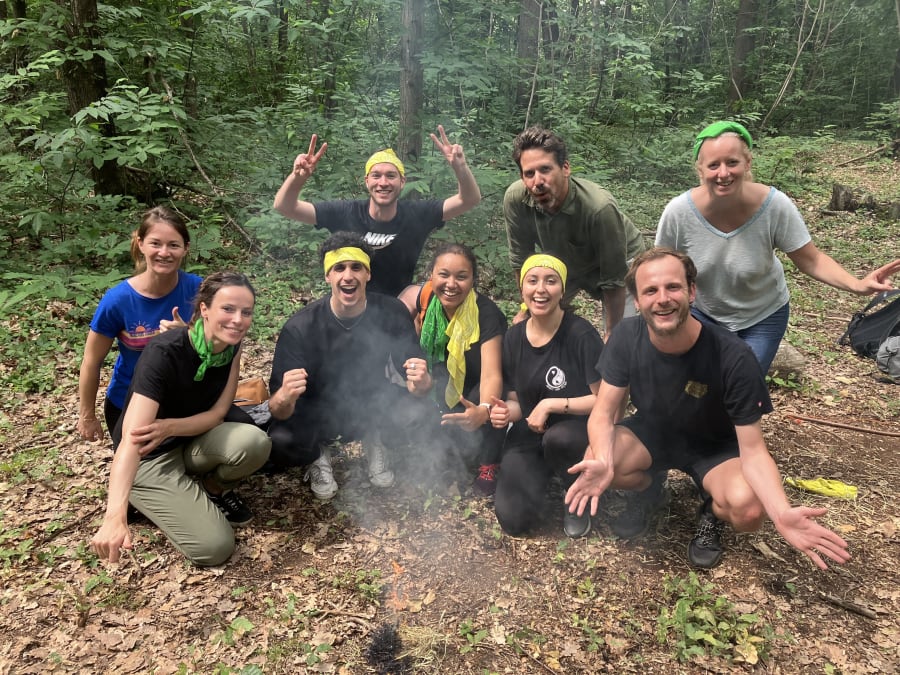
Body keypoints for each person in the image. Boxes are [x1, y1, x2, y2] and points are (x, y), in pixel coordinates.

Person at [565, 248, 852, 570]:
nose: (662, 299)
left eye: (673, 287)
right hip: (652, 433)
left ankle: (711, 511)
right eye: (650, 290)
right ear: (637, 300)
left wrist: (781, 510)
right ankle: (651, 490)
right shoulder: (626, 337)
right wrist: (603, 459)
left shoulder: (733, 356)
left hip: (714, 447)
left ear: (691, 291)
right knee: (597, 458)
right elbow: (603, 414)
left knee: (749, 512)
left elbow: (755, 450)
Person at [656, 120, 900, 373]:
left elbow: (810, 259)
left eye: (732, 162)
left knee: (744, 385)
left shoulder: (774, 206)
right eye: (713, 165)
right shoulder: (679, 212)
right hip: (704, 314)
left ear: (747, 163)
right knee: (701, 383)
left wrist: (857, 284)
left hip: (763, 315)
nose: (723, 173)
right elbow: (660, 268)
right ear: (700, 169)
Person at [90, 272, 271, 567]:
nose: (238, 320)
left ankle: (211, 489)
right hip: (150, 457)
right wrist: (114, 516)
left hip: (188, 439)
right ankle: (141, 496)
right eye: (228, 309)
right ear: (204, 309)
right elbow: (132, 441)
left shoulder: (231, 346)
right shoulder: (164, 352)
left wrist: (170, 426)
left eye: (245, 312)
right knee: (215, 547)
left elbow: (216, 414)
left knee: (255, 441)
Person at [267, 232, 433, 500]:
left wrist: (423, 384)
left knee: (418, 412)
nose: (348, 276)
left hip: (369, 404)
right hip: (317, 412)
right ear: (327, 276)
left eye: (357, 267)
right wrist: (285, 396)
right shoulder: (300, 327)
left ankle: (375, 437)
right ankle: (317, 453)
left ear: (368, 274)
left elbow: (417, 382)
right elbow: (276, 408)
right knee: (280, 440)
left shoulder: (391, 312)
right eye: (339, 268)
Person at [272, 126, 481, 297]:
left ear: (402, 181)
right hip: (350, 299)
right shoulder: (346, 212)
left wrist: (460, 167)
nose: (383, 183)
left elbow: (468, 199)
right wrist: (297, 177)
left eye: (391, 176)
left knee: (420, 294)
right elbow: (285, 206)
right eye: (376, 176)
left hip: (400, 305)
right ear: (366, 181)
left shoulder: (417, 214)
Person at [489, 254, 604, 539]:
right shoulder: (514, 338)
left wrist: (552, 403)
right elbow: (517, 401)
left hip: (577, 431)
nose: (541, 289)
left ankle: (575, 491)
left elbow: (605, 401)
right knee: (513, 520)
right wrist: (506, 412)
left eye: (550, 281)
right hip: (530, 432)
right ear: (522, 289)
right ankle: (542, 476)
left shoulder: (581, 335)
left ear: (562, 290)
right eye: (533, 281)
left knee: (559, 439)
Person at [503, 126, 646, 333]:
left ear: (565, 168)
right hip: (563, 262)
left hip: (621, 258)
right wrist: (528, 307)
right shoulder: (516, 199)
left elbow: (614, 280)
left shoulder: (599, 208)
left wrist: (611, 335)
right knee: (536, 322)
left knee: (620, 337)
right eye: (529, 173)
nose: (538, 182)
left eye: (545, 169)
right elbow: (521, 260)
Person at [78, 206, 201, 441]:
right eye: (156, 243)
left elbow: (220, 348)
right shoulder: (118, 300)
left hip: (185, 403)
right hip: (128, 403)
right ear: (141, 243)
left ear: (185, 248)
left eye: (173, 245)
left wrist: (188, 335)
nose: (164, 252)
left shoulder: (199, 290)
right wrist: (87, 416)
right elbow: (91, 362)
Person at [407, 242, 508, 495]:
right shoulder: (427, 303)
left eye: (461, 277)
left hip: (484, 388)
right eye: (444, 275)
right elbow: (421, 352)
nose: (451, 284)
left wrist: (483, 411)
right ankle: (456, 448)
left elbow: (492, 373)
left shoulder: (486, 314)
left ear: (473, 279)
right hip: (448, 383)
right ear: (431, 275)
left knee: (480, 397)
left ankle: (489, 462)